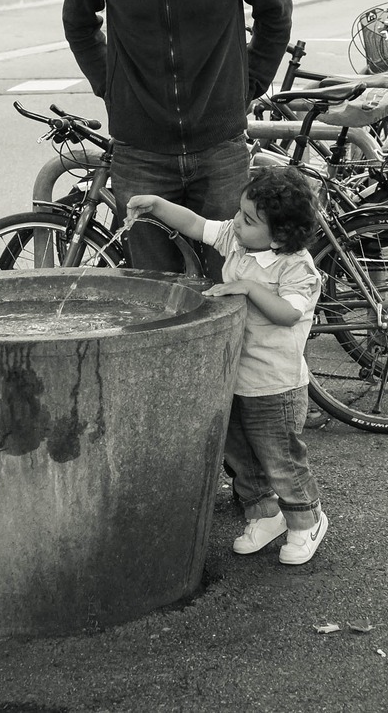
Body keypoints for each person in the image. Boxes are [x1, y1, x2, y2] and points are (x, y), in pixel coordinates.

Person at [62, 0, 293, 276]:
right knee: (153, 291)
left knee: (228, 284)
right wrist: (110, 85)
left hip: (220, 148)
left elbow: (275, 10)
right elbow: (78, 22)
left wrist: (247, 84)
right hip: (140, 151)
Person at [126, 166, 328, 565]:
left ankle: (307, 521)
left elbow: (289, 314)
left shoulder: (297, 268)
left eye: (248, 220)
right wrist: (158, 205)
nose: (236, 223)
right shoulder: (239, 242)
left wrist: (250, 287)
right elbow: (197, 224)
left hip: (275, 386)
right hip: (235, 377)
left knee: (280, 457)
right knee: (241, 456)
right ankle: (264, 514)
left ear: (281, 234)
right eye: (239, 212)